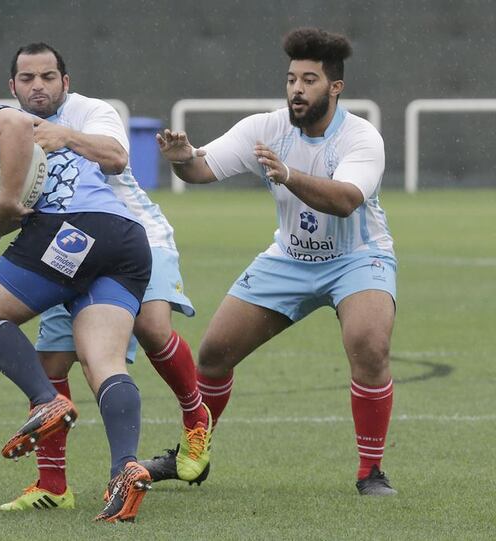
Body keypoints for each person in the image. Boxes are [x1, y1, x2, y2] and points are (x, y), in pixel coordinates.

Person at [147, 27, 398, 496]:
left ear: (335, 88)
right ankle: (192, 455)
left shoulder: (362, 138)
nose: (297, 90)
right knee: (214, 354)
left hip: (358, 259)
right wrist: (182, 159)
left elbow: (345, 200)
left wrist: (289, 174)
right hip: (289, 258)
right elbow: (203, 168)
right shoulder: (264, 128)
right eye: (291, 80)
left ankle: (371, 472)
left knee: (369, 344)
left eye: (309, 80)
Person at [0, 97, 154, 522]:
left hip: (73, 228)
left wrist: (0, 201)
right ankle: (124, 470)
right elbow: (0, 223)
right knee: (107, 364)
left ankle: (45, 400)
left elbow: (17, 126)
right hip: (125, 239)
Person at [0, 42, 211, 513]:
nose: (38, 86)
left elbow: (114, 156)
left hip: (136, 236)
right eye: (27, 79)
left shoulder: (91, 111)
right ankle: (52, 485)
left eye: (48, 77)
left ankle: (195, 415)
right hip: (66, 245)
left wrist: (64, 135)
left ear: (65, 82)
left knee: (151, 327)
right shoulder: (7, 127)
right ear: (13, 86)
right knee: (52, 360)